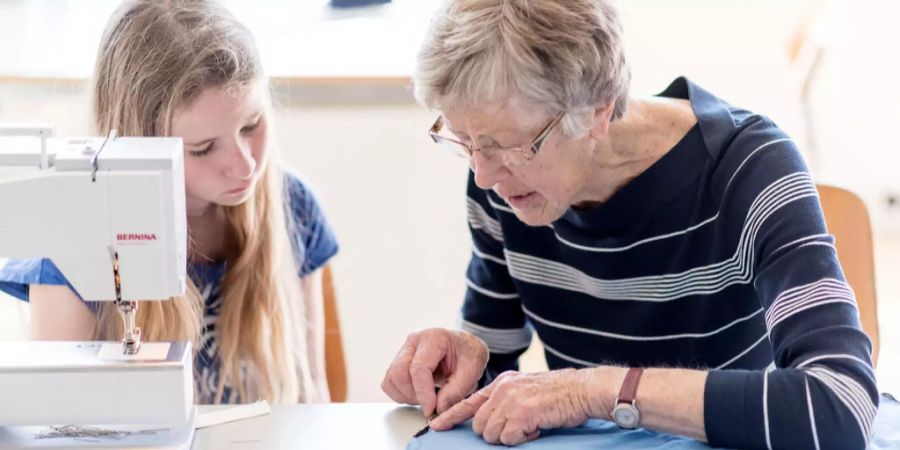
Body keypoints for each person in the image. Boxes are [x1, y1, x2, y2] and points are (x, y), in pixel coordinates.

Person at [381, 1, 877, 449]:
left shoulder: (748, 170)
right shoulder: (504, 186)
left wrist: (591, 391)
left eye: (509, 145)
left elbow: (839, 405)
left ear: (597, 110)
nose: (484, 175)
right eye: (465, 140)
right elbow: (496, 375)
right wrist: (463, 361)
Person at [0, 0, 338, 404]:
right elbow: (61, 416)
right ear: (140, 143)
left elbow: (314, 393)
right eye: (204, 148)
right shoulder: (70, 246)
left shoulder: (292, 206)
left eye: (252, 125)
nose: (244, 165)